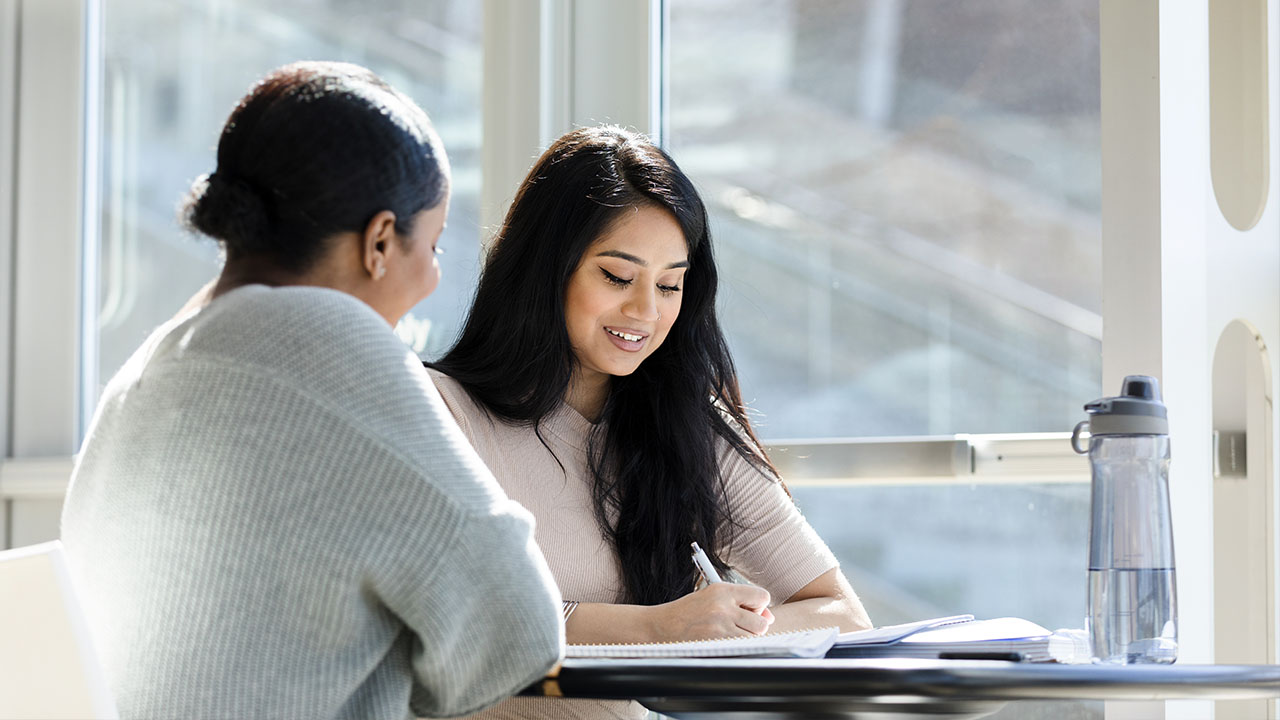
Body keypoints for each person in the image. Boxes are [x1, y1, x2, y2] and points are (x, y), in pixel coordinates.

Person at [60, 61, 563, 720]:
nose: (434, 279)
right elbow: (517, 626)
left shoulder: (150, 366)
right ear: (380, 240)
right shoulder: (331, 336)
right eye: (433, 246)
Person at [428, 126, 873, 720]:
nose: (645, 312)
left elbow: (842, 616)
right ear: (545, 269)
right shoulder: (439, 411)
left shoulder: (688, 425)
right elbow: (467, 621)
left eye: (669, 285)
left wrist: (715, 634)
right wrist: (662, 629)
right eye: (617, 277)